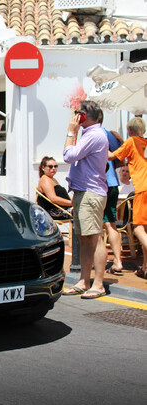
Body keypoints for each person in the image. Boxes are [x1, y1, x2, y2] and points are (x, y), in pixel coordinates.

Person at [62, 101, 109, 299]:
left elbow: (68, 155)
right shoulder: (90, 134)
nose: (75, 117)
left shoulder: (95, 135)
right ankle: (84, 280)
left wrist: (70, 132)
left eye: (77, 114)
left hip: (91, 192)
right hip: (84, 192)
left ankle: (98, 283)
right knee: (84, 239)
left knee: (95, 238)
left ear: (83, 116)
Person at [110, 116, 147, 279]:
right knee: (145, 229)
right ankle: (145, 266)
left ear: (130, 130)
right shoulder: (143, 143)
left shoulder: (131, 142)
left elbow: (113, 156)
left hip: (141, 189)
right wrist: (119, 138)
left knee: (138, 228)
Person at [101, 112, 124, 276]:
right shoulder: (110, 135)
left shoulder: (95, 134)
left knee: (97, 227)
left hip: (100, 185)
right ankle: (118, 261)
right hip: (113, 183)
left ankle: (99, 262)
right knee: (111, 224)